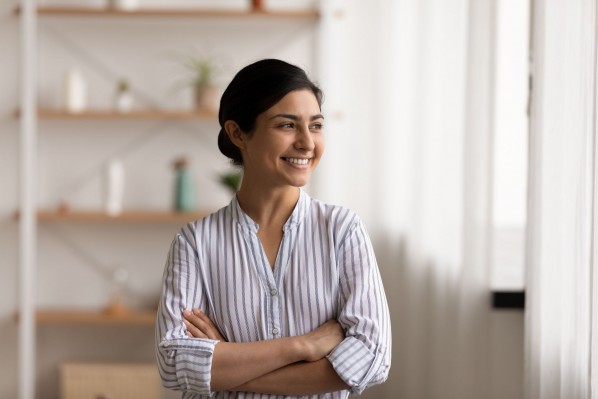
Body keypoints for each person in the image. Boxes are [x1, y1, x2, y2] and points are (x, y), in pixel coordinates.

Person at [156, 59, 391, 398]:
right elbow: (174, 363)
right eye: (287, 125)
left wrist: (228, 363)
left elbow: (372, 358)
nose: (307, 143)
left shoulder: (342, 231)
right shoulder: (195, 243)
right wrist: (302, 347)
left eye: (316, 125)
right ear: (238, 133)